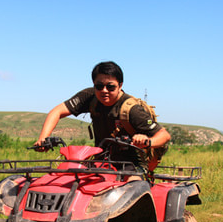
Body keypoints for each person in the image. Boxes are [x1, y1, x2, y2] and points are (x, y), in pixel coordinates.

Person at [34, 61, 171, 171]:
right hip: (100, 162)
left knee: (131, 191)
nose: (104, 91)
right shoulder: (89, 96)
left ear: (120, 85)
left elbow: (164, 135)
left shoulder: (131, 109)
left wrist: (146, 141)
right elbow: (57, 112)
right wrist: (42, 139)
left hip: (130, 165)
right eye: (99, 86)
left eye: (110, 87)